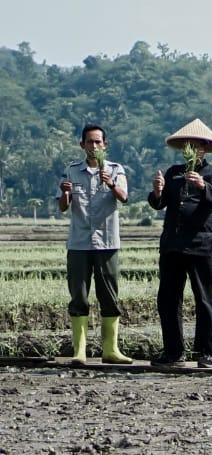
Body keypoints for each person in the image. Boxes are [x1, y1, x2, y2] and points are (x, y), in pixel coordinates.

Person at [148, 119, 212, 368]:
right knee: (168, 299)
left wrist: (202, 185)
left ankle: (205, 352)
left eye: (197, 146)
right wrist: (158, 191)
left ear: (205, 148)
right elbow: (158, 203)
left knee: (205, 298)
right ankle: (173, 352)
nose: (193, 150)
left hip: (201, 243)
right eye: (189, 146)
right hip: (172, 243)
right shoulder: (173, 172)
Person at [58, 123, 132, 363]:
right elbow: (62, 207)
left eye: (98, 142)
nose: (94, 146)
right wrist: (65, 194)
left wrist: (110, 182)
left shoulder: (116, 169)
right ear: (82, 145)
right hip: (79, 243)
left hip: (107, 243)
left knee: (109, 295)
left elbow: (124, 197)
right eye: (89, 142)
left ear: (105, 145)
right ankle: (80, 351)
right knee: (78, 295)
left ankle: (110, 350)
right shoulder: (71, 171)